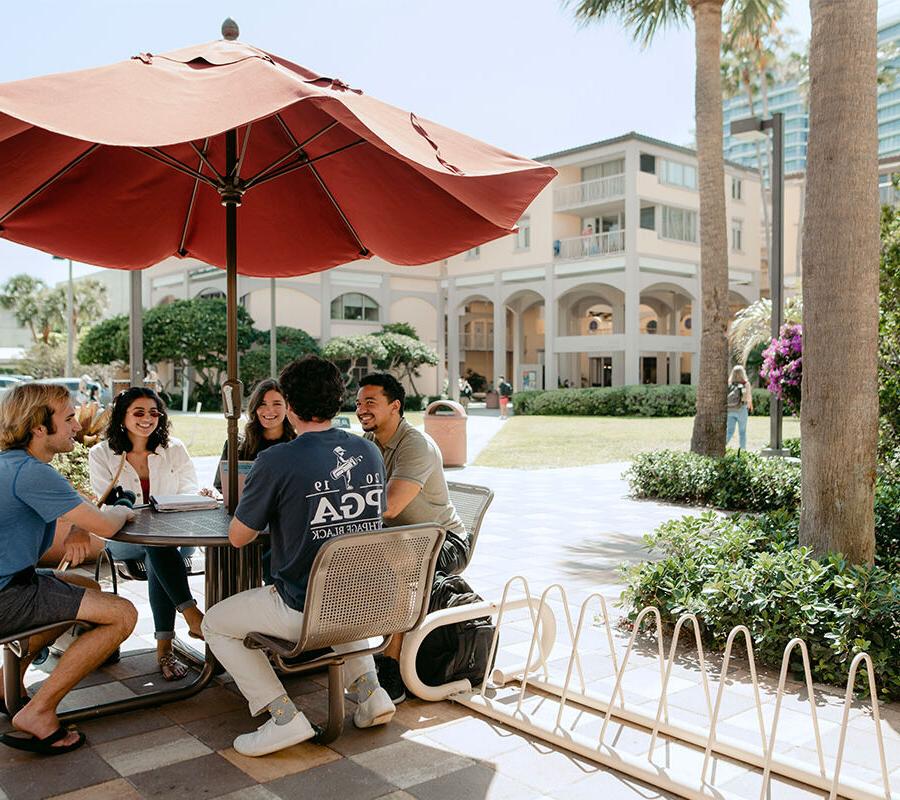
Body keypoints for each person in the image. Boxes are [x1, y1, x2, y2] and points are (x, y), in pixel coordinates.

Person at [202, 355, 395, 757]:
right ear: (339, 400)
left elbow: (239, 537)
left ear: (288, 406)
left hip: (304, 608)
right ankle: (372, 695)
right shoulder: (369, 451)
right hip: (367, 600)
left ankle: (283, 717)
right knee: (340, 604)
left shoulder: (278, 459)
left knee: (216, 623)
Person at [0, 383, 137, 755]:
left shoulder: (12, 465)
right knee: (123, 614)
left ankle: (3, 687)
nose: (77, 426)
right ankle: (39, 713)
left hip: (14, 582)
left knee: (82, 588)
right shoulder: (32, 473)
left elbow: (77, 516)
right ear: (39, 428)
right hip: (7, 595)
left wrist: (81, 523)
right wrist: (127, 509)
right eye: (69, 418)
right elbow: (107, 525)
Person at [356, 373, 468, 703]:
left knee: (402, 566)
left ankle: (390, 663)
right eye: (359, 402)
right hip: (399, 539)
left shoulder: (414, 444)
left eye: (371, 403)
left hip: (444, 540)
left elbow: (389, 507)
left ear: (395, 406)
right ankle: (353, 651)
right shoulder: (369, 445)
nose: (362, 409)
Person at [88, 388, 207, 681]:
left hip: (175, 538)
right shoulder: (102, 454)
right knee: (157, 546)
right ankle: (188, 617)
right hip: (124, 540)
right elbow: (111, 504)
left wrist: (193, 498)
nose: (147, 419)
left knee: (159, 547)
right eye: (138, 412)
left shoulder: (173, 448)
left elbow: (189, 490)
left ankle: (170, 640)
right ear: (122, 417)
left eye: (154, 413)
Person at [213, 378, 296, 582]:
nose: (269, 411)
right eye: (262, 404)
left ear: (288, 408)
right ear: (254, 408)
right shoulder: (237, 444)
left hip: (283, 527)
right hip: (244, 520)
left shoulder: (297, 445)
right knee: (221, 556)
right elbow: (220, 485)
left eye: (277, 404)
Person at [726, 365, 754, 450]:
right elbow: (748, 398)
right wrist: (750, 406)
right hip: (741, 409)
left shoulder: (729, 384)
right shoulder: (746, 384)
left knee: (729, 432)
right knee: (742, 432)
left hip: (730, 410)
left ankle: (721, 446)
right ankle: (743, 450)